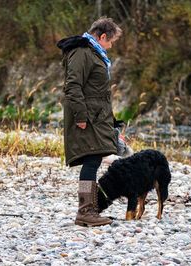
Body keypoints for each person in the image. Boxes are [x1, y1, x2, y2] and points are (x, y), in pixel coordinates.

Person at [57, 18, 122, 227]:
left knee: (93, 159)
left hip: (97, 116)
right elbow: (73, 86)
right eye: (111, 41)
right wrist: (81, 117)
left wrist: (112, 122)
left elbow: (98, 92)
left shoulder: (94, 53)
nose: (111, 46)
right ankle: (85, 211)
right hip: (88, 117)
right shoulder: (82, 53)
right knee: (92, 159)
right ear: (102, 37)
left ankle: (89, 210)